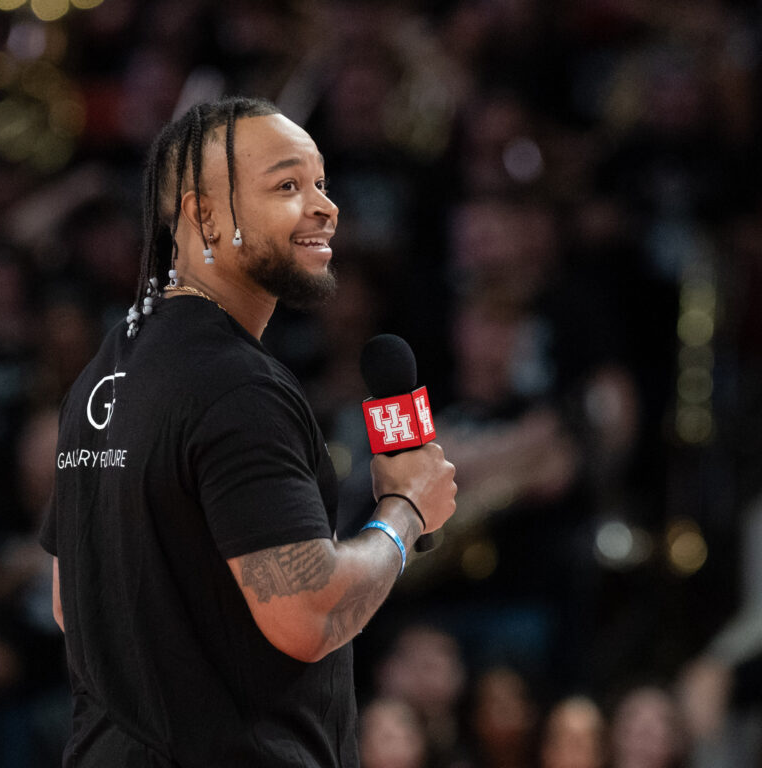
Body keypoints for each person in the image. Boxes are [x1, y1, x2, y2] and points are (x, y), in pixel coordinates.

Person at [39, 95, 457, 767]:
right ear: (204, 214)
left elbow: (73, 603)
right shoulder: (237, 387)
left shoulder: (104, 373)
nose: (325, 206)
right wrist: (403, 515)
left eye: (321, 182)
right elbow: (307, 616)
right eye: (287, 186)